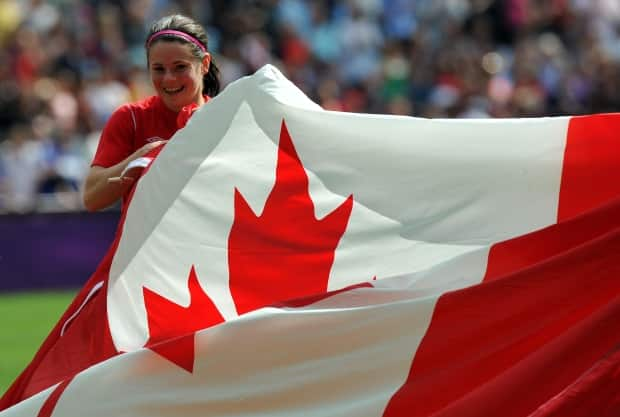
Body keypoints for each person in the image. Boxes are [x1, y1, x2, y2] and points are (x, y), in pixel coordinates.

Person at [82, 14, 220, 211]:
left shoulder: (225, 118)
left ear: (204, 64)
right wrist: (138, 160)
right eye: (159, 69)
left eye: (180, 67)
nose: (169, 79)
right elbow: (91, 198)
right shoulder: (131, 118)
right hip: (149, 242)